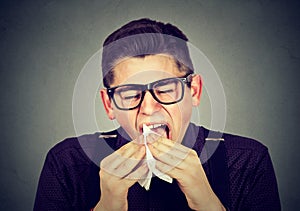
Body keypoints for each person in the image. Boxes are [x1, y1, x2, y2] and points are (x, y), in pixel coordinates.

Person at [34, 18, 281, 211]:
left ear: (193, 91)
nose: (149, 108)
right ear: (109, 104)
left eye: (164, 89)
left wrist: (208, 204)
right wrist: (107, 206)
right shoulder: (67, 163)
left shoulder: (248, 161)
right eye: (130, 94)